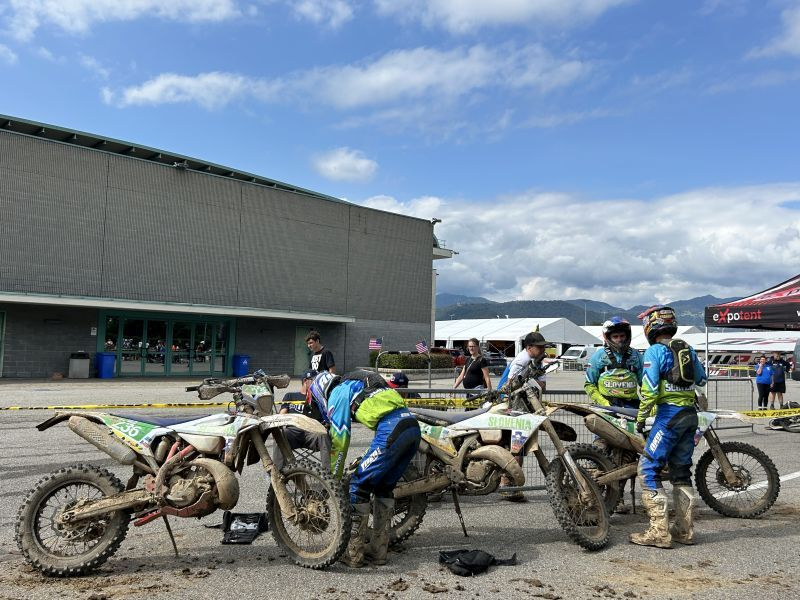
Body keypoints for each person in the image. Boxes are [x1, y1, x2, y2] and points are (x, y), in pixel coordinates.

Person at [310, 370, 420, 568]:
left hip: (392, 430)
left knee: (358, 485)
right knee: (383, 488)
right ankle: (378, 552)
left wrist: (331, 480)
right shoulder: (358, 384)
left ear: (320, 392)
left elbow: (340, 439)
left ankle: (353, 554)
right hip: (412, 427)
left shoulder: (338, 392)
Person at [631, 305, 707, 549]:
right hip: (689, 416)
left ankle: (659, 532)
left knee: (647, 467)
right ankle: (685, 531)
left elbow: (650, 390)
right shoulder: (687, 348)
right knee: (681, 472)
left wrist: (641, 417)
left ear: (650, 328)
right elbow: (702, 379)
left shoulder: (654, 351)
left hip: (668, 418)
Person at [495, 331, 551, 502]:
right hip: (512, 408)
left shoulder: (536, 361)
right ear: (529, 348)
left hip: (525, 408)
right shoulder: (522, 360)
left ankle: (512, 485)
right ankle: (507, 485)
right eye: (539, 347)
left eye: (543, 347)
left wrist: (531, 381)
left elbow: (543, 385)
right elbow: (509, 385)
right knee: (514, 447)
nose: (543, 350)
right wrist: (531, 382)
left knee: (519, 448)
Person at [273, 369, 331, 471]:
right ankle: (278, 476)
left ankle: (328, 476)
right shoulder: (290, 396)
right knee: (280, 435)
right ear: (305, 381)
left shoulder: (320, 399)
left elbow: (327, 419)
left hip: (313, 432)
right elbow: (281, 415)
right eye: (315, 380)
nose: (318, 384)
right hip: (293, 431)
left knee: (323, 435)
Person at [584, 317, 643, 409]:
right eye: (615, 336)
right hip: (607, 407)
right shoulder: (598, 356)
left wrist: (649, 404)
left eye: (622, 336)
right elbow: (589, 384)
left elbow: (645, 384)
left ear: (627, 336)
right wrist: (603, 402)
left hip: (632, 407)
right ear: (608, 337)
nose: (619, 339)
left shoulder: (636, 356)